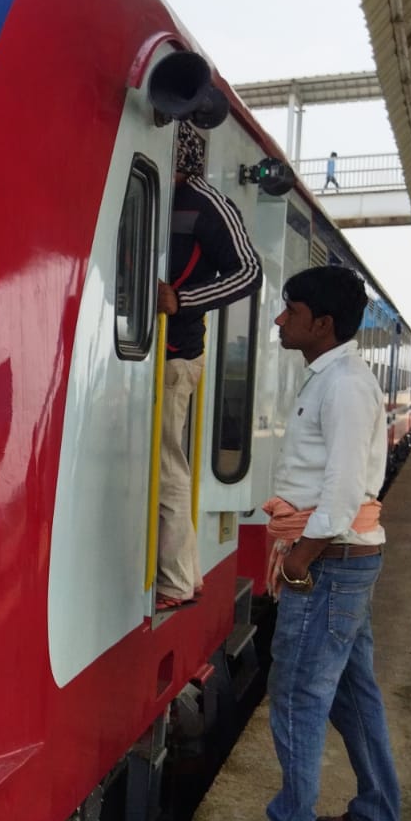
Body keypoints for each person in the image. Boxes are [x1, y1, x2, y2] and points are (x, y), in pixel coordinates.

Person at [215, 266, 400, 821]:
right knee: (352, 692)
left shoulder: (342, 385)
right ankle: (377, 813)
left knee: (296, 692)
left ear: (321, 323)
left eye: (289, 309)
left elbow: (344, 489)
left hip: (331, 562)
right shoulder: (334, 377)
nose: (278, 318)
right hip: (345, 559)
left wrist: (301, 557)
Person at [155, 122, 263, 612]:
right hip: (154, 353)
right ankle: (185, 572)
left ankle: (175, 581)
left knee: (166, 463)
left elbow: (249, 271)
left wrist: (182, 300)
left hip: (177, 354)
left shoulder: (207, 202)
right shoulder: (160, 190)